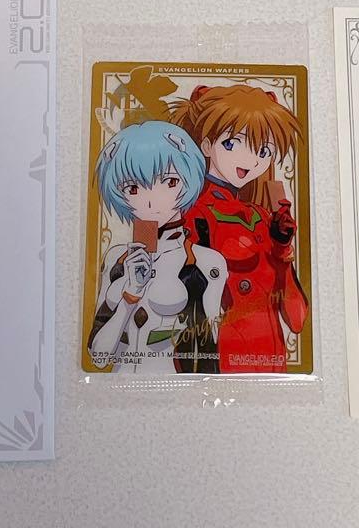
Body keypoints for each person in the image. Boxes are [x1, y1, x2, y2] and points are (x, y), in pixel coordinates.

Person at [168, 84, 308, 373]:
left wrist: (282, 249)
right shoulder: (193, 213)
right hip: (219, 360)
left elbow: (297, 319)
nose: (252, 160)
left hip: (270, 359)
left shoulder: (263, 217)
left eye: (264, 150)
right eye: (233, 143)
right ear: (207, 145)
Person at [88, 120, 227, 375]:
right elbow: (98, 357)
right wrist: (130, 296)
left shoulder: (206, 262)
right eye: (133, 188)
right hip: (118, 386)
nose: (151, 201)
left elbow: (208, 351)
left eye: (170, 182)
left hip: (176, 387)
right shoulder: (117, 259)